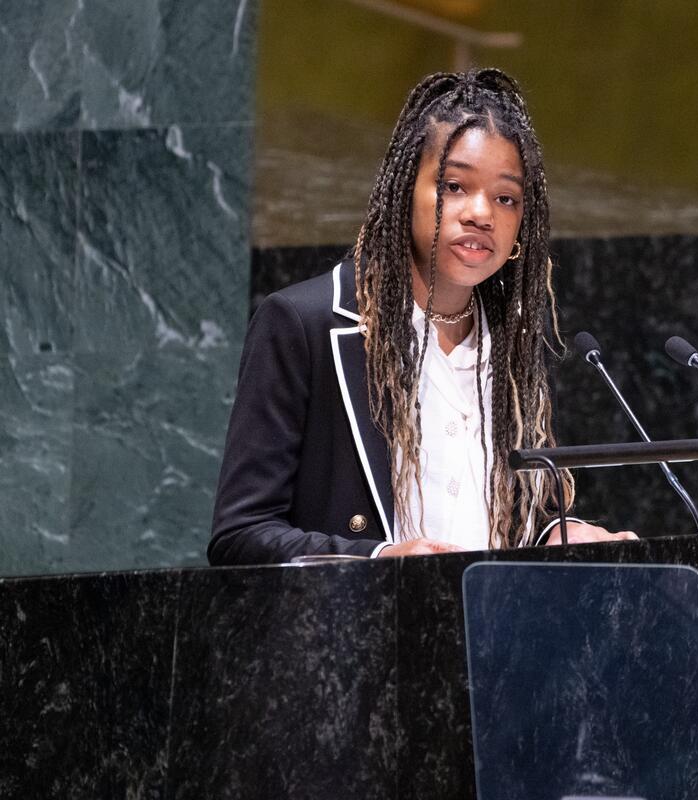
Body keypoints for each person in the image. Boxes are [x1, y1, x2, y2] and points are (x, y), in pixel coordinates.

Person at [209, 69, 635, 565]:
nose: (481, 212)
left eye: (506, 198)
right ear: (404, 190)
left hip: (490, 634)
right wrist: (380, 562)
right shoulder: (303, 325)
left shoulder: (516, 347)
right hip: (360, 635)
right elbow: (241, 536)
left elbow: (504, 521)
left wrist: (558, 536)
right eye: (454, 185)